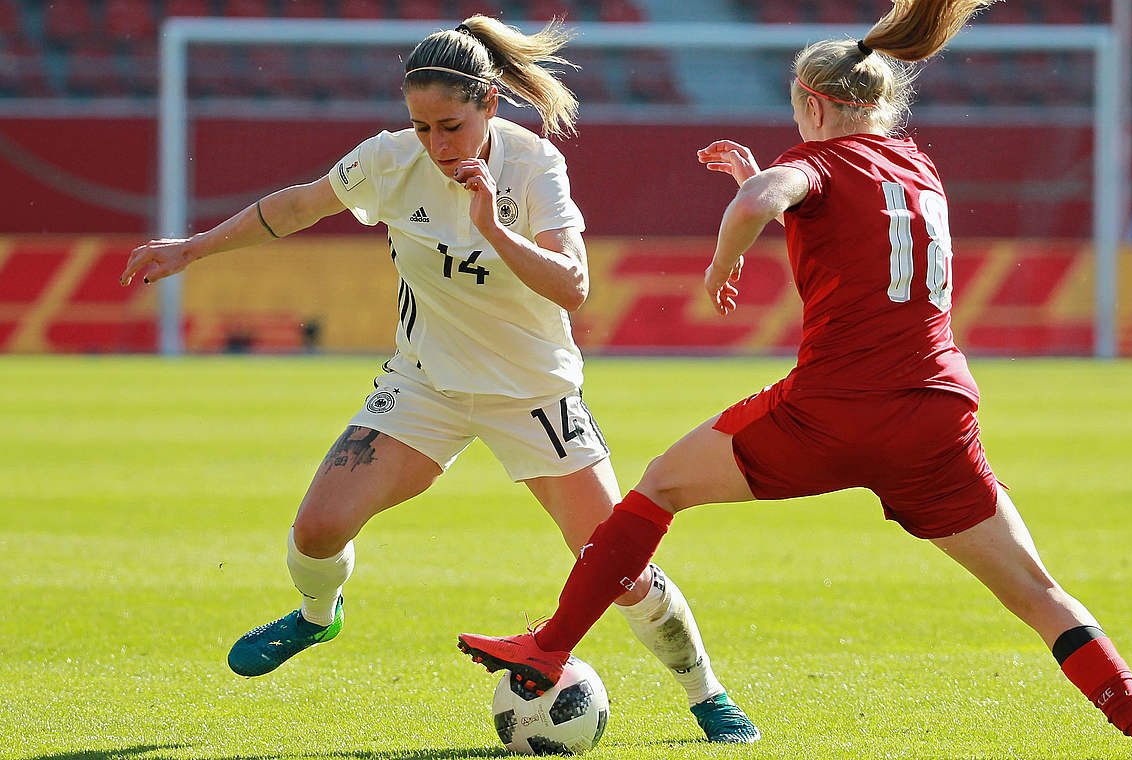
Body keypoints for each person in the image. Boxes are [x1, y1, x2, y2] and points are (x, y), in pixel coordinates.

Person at [456, 2, 1132, 758]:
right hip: (937, 419)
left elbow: (773, 198)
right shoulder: (916, 165)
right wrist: (773, 183)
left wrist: (727, 252)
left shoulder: (816, 161)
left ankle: (549, 649)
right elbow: (852, 220)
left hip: (831, 412)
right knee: (1038, 593)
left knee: (658, 488)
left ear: (812, 104)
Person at [118, 16, 758, 744]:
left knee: (619, 569)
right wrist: (192, 249)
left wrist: (492, 224)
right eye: (420, 126)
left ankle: (708, 696)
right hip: (424, 386)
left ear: (490, 104)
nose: (435, 144)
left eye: (449, 125)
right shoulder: (391, 161)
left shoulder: (533, 166)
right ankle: (316, 618)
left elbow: (574, 287)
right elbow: (300, 204)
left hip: (534, 395)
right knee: (316, 530)